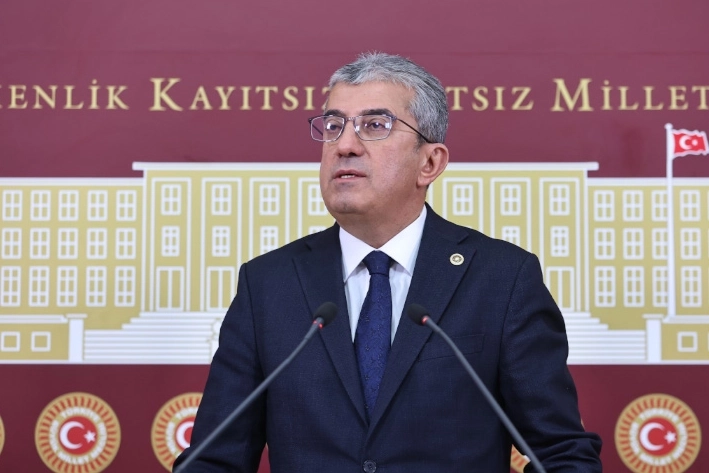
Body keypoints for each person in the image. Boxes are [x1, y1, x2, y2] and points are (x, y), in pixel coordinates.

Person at [173, 52, 602, 472]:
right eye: (334, 126)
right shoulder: (268, 284)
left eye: (375, 125)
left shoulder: (501, 279)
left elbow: (562, 454)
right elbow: (214, 458)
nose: (344, 145)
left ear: (430, 162)